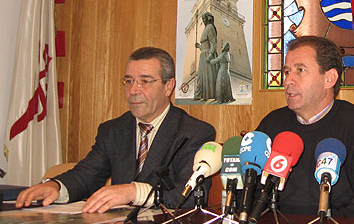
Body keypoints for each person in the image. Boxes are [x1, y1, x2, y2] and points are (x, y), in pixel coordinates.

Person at [16, 47, 216, 213]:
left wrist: (133, 192)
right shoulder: (113, 130)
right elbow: (87, 174)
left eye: (145, 81)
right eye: (129, 81)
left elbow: (190, 195)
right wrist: (56, 187)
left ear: (168, 86)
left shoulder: (194, 132)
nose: (133, 90)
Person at [255, 36, 354, 218]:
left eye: (300, 70)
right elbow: (252, 193)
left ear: (329, 78)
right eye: (287, 71)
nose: (288, 80)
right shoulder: (272, 124)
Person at [194, 12, 218, 101]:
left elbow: (213, 43)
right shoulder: (206, 29)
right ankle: (200, 95)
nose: (203, 21)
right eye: (202, 19)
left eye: (204, 18)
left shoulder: (210, 28)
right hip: (203, 54)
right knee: (201, 74)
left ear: (208, 18)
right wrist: (199, 46)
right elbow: (205, 45)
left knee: (208, 75)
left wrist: (210, 55)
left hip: (208, 55)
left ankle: (207, 95)